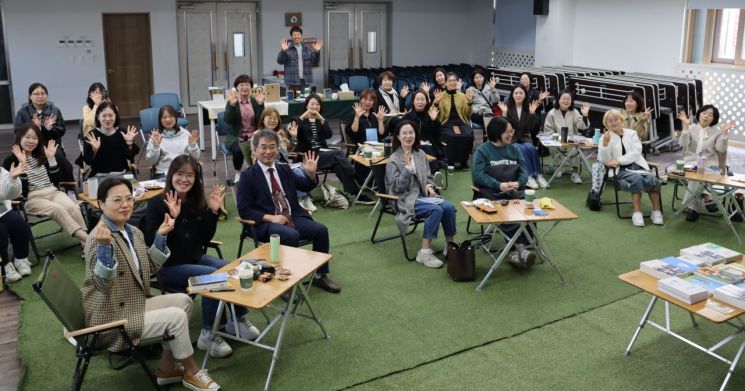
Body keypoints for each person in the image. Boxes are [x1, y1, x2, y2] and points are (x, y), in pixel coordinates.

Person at [82, 178, 221, 390]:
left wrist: (160, 236)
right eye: (117, 200)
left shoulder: (132, 232)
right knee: (175, 317)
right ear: (101, 204)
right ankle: (192, 371)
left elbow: (149, 268)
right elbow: (102, 286)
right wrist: (104, 250)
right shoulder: (98, 239)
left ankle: (166, 369)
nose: (125, 205)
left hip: (132, 305)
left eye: (129, 198)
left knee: (183, 301)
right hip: (112, 320)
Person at [144, 156, 259, 358]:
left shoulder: (194, 200)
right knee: (215, 276)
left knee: (233, 268)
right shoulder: (156, 203)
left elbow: (205, 238)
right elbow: (151, 241)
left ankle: (237, 319)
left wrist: (213, 212)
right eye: (180, 174)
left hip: (195, 258)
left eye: (190, 175)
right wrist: (173, 218)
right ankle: (209, 333)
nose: (184, 179)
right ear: (171, 174)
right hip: (169, 267)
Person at [236, 130, 341, 293]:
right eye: (263, 147)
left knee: (321, 231)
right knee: (291, 235)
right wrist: (271, 217)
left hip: (293, 215)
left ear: (277, 149)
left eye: (272, 147)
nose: (268, 151)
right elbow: (244, 210)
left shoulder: (284, 169)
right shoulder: (248, 176)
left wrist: (311, 173)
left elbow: (305, 185)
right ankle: (285, 283)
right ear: (255, 150)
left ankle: (321, 276)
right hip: (266, 222)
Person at [3, 123, 88, 247]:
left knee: (72, 207)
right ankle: (89, 240)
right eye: (27, 137)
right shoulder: (10, 161)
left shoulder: (41, 155)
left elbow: (57, 180)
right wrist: (22, 163)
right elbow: (20, 191)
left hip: (53, 192)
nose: (31, 141)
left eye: (35, 138)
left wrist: (51, 159)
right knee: (57, 209)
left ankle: (85, 245)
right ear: (19, 137)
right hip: (32, 198)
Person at [385, 121, 456, 268]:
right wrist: (407, 168)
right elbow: (396, 188)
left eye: (411, 132)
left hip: (423, 196)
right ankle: (424, 253)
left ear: (416, 135)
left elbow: (428, 177)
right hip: (404, 199)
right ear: (398, 136)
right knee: (435, 210)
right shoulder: (393, 159)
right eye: (404, 133)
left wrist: (430, 186)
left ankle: (450, 245)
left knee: (448, 207)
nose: (408, 136)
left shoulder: (420, 154)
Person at [472, 117, 536, 268]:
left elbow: (524, 171)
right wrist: (498, 185)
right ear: (497, 133)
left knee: (529, 205)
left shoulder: (514, 149)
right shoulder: (482, 150)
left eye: (511, 131)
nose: (510, 135)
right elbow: (478, 175)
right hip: (491, 192)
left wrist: (519, 183)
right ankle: (520, 250)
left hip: (514, 190)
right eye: (507, 132)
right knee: (508, 210)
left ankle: (519, 250)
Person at [290, 94, 369, 202]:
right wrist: (306, 115)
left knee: (338, 165)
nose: (314, 107)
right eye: (312, 104)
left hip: (322, 152)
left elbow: (328, 135)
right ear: (306, 106)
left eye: (317, 104)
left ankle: (356, 194)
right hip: (308, 156)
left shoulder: (320, 120)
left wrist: (322, 119)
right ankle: (356, 176)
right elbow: (295, 125)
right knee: (338, 154)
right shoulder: (298, 119)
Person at [597, 110, 663, 227]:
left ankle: (656, 212)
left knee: (652, 178)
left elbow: (636, 152)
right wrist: (605, 144)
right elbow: (604, 160)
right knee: (636, 179)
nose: (613, 123)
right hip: (620, 170)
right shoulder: (605, 137)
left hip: (638, 165)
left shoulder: (631, 133)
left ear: (621, 120)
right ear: (606, 124)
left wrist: (618, 160)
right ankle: (637, 213)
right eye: (610, 121)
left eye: (616, 119)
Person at [677, 105, 734, 221]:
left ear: (714, 119)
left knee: (698, 176)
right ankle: (707, 197)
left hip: (710, 166)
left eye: (710, 115)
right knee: (697, 173)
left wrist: (724, 134)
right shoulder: (691, 128)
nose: (706, 116)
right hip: (690, 163)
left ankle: (693, 208)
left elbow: (721, 149)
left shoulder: (717, 132)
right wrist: (686, 126)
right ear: (699, 114)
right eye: (704, 113)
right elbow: (683, 144)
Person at [497, 85, 548, 189]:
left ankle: (538, 175)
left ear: (525, 95)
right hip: (511, 139)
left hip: (524, 138)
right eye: (516, 93)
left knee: (531, 148)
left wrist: (532, 113)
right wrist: (504, 113)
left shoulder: (527, 108)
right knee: (521, 149)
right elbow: (503, 127)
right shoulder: (508, 108)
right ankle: (528, 177)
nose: (518, 95)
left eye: (521, 93)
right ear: (512, 95)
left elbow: (530, 128)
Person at [542, 90, 591, 184]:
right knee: (553, 146)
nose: (566, 101)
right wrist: (557, 138)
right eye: (564, 98)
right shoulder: (552, 113)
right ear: (558, 100)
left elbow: (582, 126)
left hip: (571, 140)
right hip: (556, 140)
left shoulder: (574, 112)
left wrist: (585, 115)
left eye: (569, 99)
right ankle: (558, 166)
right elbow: (548, 130)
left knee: (574, 147)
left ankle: (575, 172)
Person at [224, 74, 265, 184]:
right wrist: (232, 106)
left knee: (262, 146)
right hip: (236, 136)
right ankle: (238, 172)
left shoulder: (255, 101)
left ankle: (256, 172)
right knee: (238, 150)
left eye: (247, 85)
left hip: (254, 135)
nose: (244, 88)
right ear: (236, 88)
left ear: (251, 87)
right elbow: (228, 120)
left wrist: (261, 104)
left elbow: (261, 120)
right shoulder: (233, 101)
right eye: (241, 85)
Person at [83, 102, 140, 177]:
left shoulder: (123, 133)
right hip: (99, 176)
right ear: (98, 117)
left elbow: (130, 157)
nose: (107, 119)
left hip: (122, 174)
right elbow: (88, 161)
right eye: (104, 116)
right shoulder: (92, 136)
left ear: (115, 116)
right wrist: (94, 150)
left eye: (111, 115)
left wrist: (129, 143)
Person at [432, 72, 475, 169]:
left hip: (461, 122)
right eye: (450, 81)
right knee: (452, 136)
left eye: (454, 80)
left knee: (468, 135)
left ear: (457, 82)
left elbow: (468, 115)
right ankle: (451, 161)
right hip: (446, 123)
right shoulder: (440, 95)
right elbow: (432, 112)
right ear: (446, 83)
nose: (452, 83)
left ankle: (463, 161)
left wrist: (469, 103)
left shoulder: (462, 96)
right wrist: (436, 102)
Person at [144, 105, 201, 178]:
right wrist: (156, 146)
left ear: (176, 118)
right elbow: (151, 161)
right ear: (160, 120)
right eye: (164, 117)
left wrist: (193, 146)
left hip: (184, 171)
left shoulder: (185, 134)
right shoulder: (155, 137)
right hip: (164, 172)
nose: (168, 120)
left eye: (171, 116)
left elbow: (197, 157)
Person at [0, 159, 31, 283]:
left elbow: (13, 194)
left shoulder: (1, 171)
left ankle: (21, 259)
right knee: (0, 231)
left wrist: (12, 179)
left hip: (2, 208)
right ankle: (6, 267)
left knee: (19, 224)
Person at [14, 83, 66, 152]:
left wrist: (49, 129)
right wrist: (35, 127)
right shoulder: (22, 112)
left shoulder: (55, 110)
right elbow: (18, 132)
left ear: (47, 95)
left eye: (43, 93)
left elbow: (61, 131)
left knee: (58, 157)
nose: (40, 96)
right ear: (30, 96)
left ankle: (52, 162)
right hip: (30, 146)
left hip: (51, 145)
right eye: (36, 94)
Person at [402, 90, 444, 169]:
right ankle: (434, 174)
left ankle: (433, 175)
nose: (420, 102)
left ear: (426, 102)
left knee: (427, 150)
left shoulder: (430, 115)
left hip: (429, 146)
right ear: (413, 101)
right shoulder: (407, 117)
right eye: (417, 99)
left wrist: (434, 121)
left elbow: (437, 135)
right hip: (411, 146)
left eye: (422, 99)